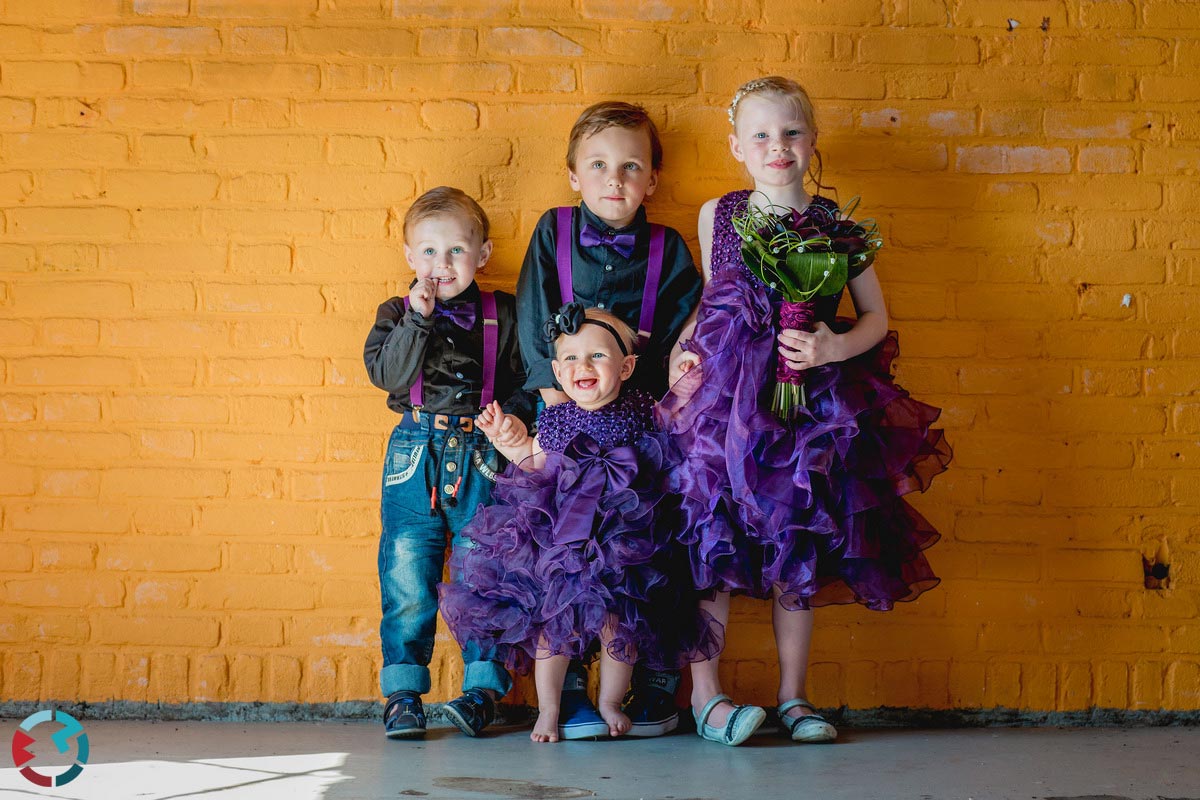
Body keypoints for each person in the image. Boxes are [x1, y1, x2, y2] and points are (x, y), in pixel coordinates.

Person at [662, 76, 952, 746]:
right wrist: (682, 355)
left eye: (791, 132)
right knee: (713, 535)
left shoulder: (837, 224)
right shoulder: (720, 213)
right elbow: (712, 302)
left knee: (799, 538)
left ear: (812, 140)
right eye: (761, 135)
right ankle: (707, 697)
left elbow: (877, 318)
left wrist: (832, 345)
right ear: (737, 145)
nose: (778, 147)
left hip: (806, 402)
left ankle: (795, 696)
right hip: (723, 403)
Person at [439, 304, 719, 743]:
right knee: (555, 626)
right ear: (555, 369)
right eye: (570, 358)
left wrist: (687, 390)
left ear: (626, 367)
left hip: (624, 536)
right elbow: (536, 463)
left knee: (618, 622)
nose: (582, 367)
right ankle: (548, 710)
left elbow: (674, 428)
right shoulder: (555, 418)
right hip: (561, 539)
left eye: (597, 357)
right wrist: (505, 441)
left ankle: (609, 701)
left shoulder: (641, 409)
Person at [514, 101, 703, 737]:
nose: (614, 179)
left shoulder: (669, 247)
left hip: (637, 433)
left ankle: (650, 681)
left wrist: (657, 411)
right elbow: (533, 316)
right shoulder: (553, 231)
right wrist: (557, 409)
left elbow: (683, 333)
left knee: (644, 556)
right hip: (567, 425)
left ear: (652, 180)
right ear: (573, 175)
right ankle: (566, 689)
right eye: (598, 165)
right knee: (562, 557)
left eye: (630, 166)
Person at [362, 186, 533, 740]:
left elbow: (524, 381)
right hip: (415, 456)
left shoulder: (501, 313)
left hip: (483, 454)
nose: (442, 266)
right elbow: (387, 376)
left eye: (456, 251)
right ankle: (404, 694)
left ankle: (481, 691)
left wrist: (515, 421)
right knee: (409, 572)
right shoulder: (396, 313)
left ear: (482, 254)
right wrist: (417, 317)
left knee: (485, 571)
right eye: (429, 253)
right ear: (410, 258)